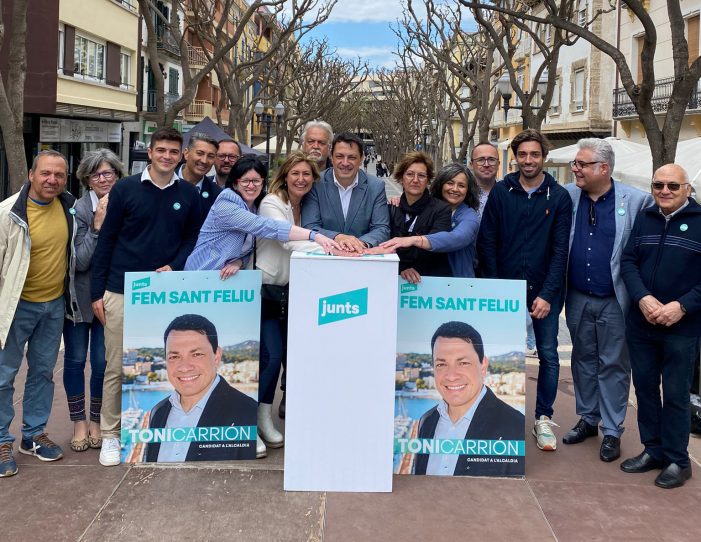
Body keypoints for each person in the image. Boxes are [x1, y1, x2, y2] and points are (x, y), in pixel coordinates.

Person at [91, 127, 201, 468]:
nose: (167, 156)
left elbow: (192, 240)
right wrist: (97, 293)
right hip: (121, 290)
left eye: (173, 151)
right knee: (115, 367)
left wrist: (176, 265)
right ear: (149, 152)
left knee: (168, 362)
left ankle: (160, 432)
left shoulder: (189, 194)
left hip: (167, 293)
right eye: (161, 150)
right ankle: (110, 435)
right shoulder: (124, 189)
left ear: (180, 155)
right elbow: (106, 240)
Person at [478, 129, 572, 452]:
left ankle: (543, 418)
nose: (528, 160)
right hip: (504, 290)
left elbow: (561, 251)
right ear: (515, 157)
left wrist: (547, 294)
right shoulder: (502, 192)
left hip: (544, 294)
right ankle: (499, 416)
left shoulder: (559, 197)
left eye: (534, 154)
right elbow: (487, 241)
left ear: (543, 156)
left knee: (547, 354)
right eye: (523, 154)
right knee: (501, 354)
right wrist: (494, 287)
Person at [562, 138, 653, 463]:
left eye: (582, 164)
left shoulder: (637, 200)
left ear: (603, 168)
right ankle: (588, 418)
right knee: (583, 359)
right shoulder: (569, 196)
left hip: (616, 299)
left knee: (614, 363)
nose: (576, 169)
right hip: (576, 296)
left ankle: (612, 431)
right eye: (576, 163)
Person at [620, 163, 701, 489]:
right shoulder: (645, 217)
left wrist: (682, 306)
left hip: (682, 327)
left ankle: (678, 461)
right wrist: (642, 298)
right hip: (642, 323)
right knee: (645, 391)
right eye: (658, 186)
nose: (664, 191)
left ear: (688, 190)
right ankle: (652, 450)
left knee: (677, 395)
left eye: (672, 186)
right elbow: (628, 261)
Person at [0, 150, 78, 477]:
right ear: (31, 174)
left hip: (53, 305)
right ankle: (2, 440)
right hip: (15, 306)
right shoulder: (7, 213)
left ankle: (32, 435)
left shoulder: (69, 208)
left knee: (43, 372)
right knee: (4, 375)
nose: (52, 180)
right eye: (46, 173)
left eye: (59, 175)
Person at [255, 152, 326, 456]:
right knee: (271, 357)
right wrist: (329, 243)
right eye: (295, 173)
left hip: (298, 292)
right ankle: (258, 420)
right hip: (267, 290)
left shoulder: (308, 205)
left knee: (294, 357)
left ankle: (295, 416)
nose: (301, 179)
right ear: (285, 175)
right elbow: (286, 238)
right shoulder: (272, 203)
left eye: (307, 174)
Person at [63, 149, 125, 453]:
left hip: (110, 296)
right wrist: (98, 225)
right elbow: (81, 261)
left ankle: (98, 420)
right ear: (87, 179)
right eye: (97, 174)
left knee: (103, 362)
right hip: (80, 299)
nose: (104, 179)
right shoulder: (78, 210)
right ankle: (79, 422)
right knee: (75, 360)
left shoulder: (125, 204)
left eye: (109, 173)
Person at [185, 156, 338, 277]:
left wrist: (239, 261)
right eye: (245, 181)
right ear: (235, 183)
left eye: (256, 181)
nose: (251, 186)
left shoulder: (254, 205)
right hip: (200, 274)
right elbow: (265, 227)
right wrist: (315, 236)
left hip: (224, 282)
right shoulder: (227, 201)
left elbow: (248, 248)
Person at [414, 321, 525, 477]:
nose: (451, 375)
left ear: (483, 366)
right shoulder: (426, 422)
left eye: (463, 363)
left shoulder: (516, 427)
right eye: (441, 364)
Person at [144, 314, 258, 462]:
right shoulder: (157, 412)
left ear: (216, 356)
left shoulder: (249, 414)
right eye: (174, 356)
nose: (184, 367)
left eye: (196, 354)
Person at [379, 163, 480, 279]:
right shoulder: (430, 207)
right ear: (441, 184)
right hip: (422, 279)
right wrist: (401, 202)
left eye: (461, 185)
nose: (455, 189)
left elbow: (457, 238)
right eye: (450, 183)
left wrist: (415, 240)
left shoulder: (469, 217)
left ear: (468, 190)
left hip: (456, 281)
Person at [302, 132, 390, 252]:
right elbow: (310, 226)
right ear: (331, 157)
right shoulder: (315, 183)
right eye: (339, 156)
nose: (345, 163)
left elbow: (381, 228)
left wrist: (359, 244)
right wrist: (338, 237)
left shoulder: (376, 186)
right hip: (324, 258)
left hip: (362, 257)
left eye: (352, 157)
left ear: (361, 159)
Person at [178, 132, 222, 225]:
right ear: (186, 153)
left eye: (210, 156)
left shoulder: (217, 194)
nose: (204, 161)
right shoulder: (163, 182)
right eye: (200, 153)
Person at [470, 142, 500, 218]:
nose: (486, 164)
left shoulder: (508, 193)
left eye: (491, 159)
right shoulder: (463, 194)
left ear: (498, 164)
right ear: (471, 164)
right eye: (480, 160)